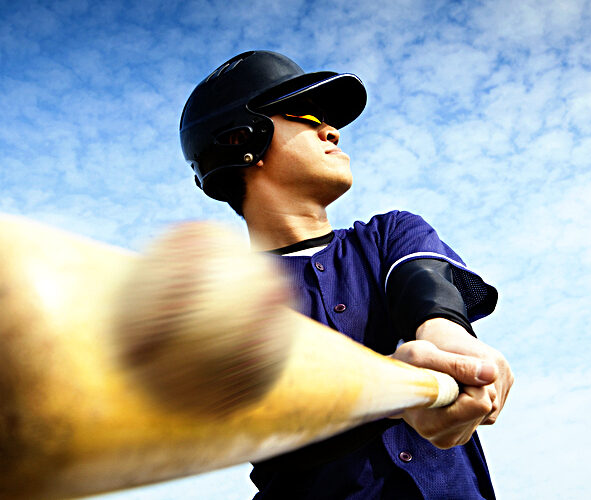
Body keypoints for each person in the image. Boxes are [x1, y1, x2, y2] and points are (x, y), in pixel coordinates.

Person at [179, 50, 513, 500]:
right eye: (304, 115)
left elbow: (427, 291)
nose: (331, 129)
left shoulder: (390, 232)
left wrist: (452, 345)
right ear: (242, 139)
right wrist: (386, 393)